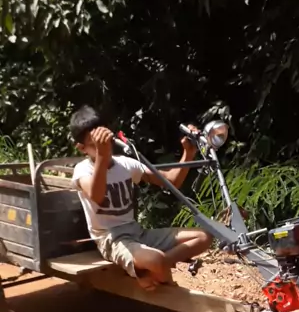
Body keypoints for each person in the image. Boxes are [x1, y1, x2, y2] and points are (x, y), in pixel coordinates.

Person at [70, 105, 213, 290]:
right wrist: (102, 157)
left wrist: (188, 153)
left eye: (105, 141)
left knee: (203, 237)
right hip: (112, 240)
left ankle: (151, 269)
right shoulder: (82, 169)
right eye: (94, 145)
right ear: (81, 148)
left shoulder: (126, 164)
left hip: (138, 233)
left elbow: (171, 181)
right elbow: (96, 196)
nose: (104, 147)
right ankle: (156, 267)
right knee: (155, 259)